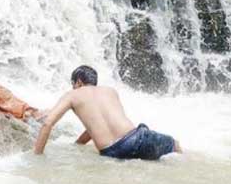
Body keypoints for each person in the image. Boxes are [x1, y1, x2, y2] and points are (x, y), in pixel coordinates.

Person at [34, 65, 181, 160]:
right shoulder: (109, 91)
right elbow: (104, 123)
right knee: (175, 145)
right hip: (136, 140)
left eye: (73, 84)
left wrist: (37, 157)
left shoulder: (72, 95)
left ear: (78, 82)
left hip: (111, 152)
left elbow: (47, 123)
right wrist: (79, 143)